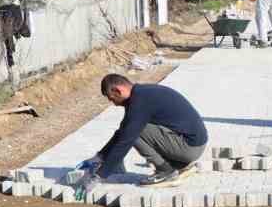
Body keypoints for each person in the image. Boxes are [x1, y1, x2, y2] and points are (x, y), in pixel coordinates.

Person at [79, 74, 209, 186]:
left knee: (136, 131)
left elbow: (126, 139)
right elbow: (122, 131)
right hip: (191, 143)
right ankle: (177, 165)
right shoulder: (141, 94)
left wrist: (100, 175)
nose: (114, 104)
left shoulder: (140, 101)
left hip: (189, 147)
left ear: (118, 91)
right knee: (130, 129)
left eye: (112, 99)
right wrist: (99, 157)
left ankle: (165, 171)